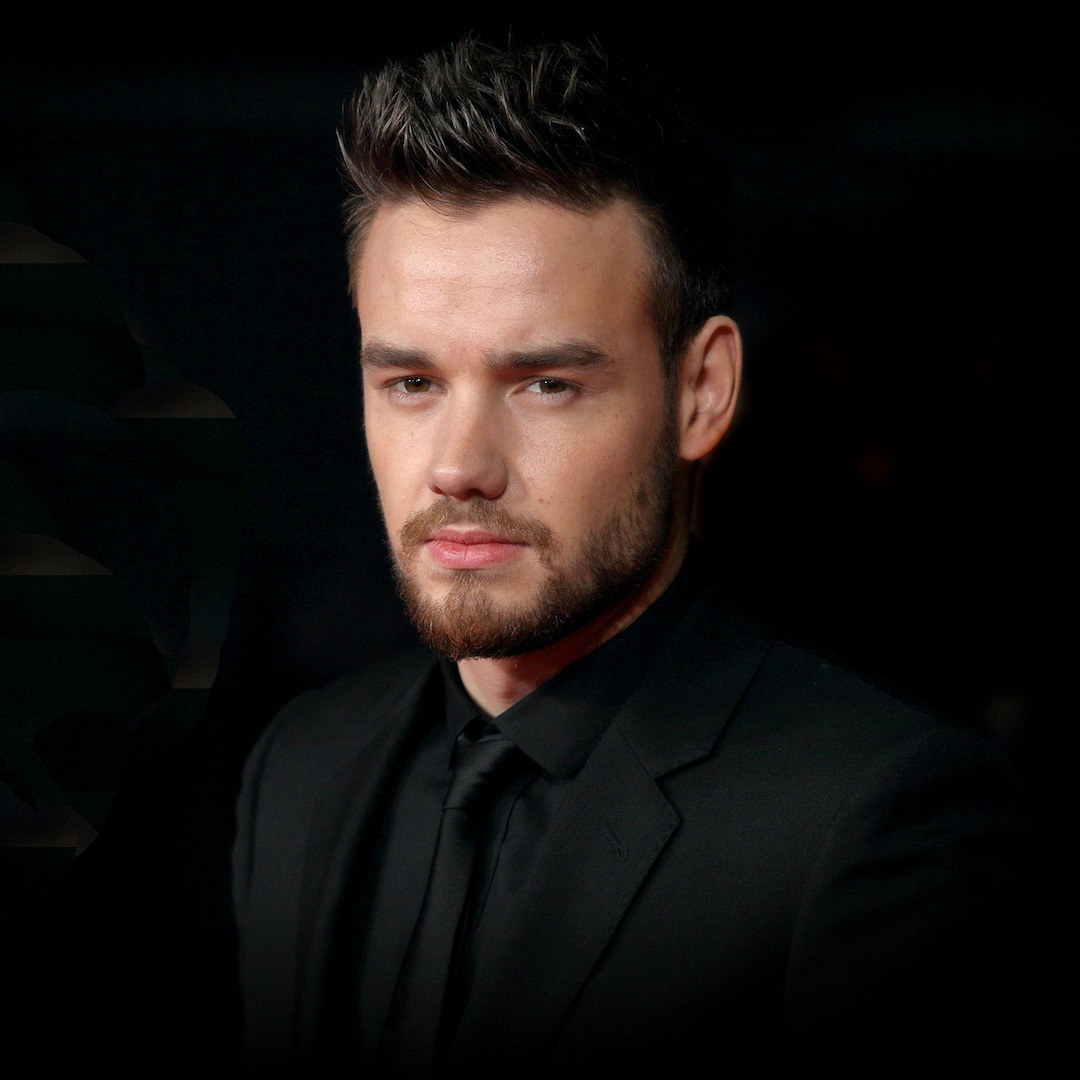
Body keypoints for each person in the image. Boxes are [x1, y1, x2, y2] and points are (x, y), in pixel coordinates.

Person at [232, 37, 1048, 1077]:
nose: (459, 467)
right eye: (412, 384)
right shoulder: (301, 768)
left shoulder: (881, 823)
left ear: (702, 393)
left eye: (546, 384)